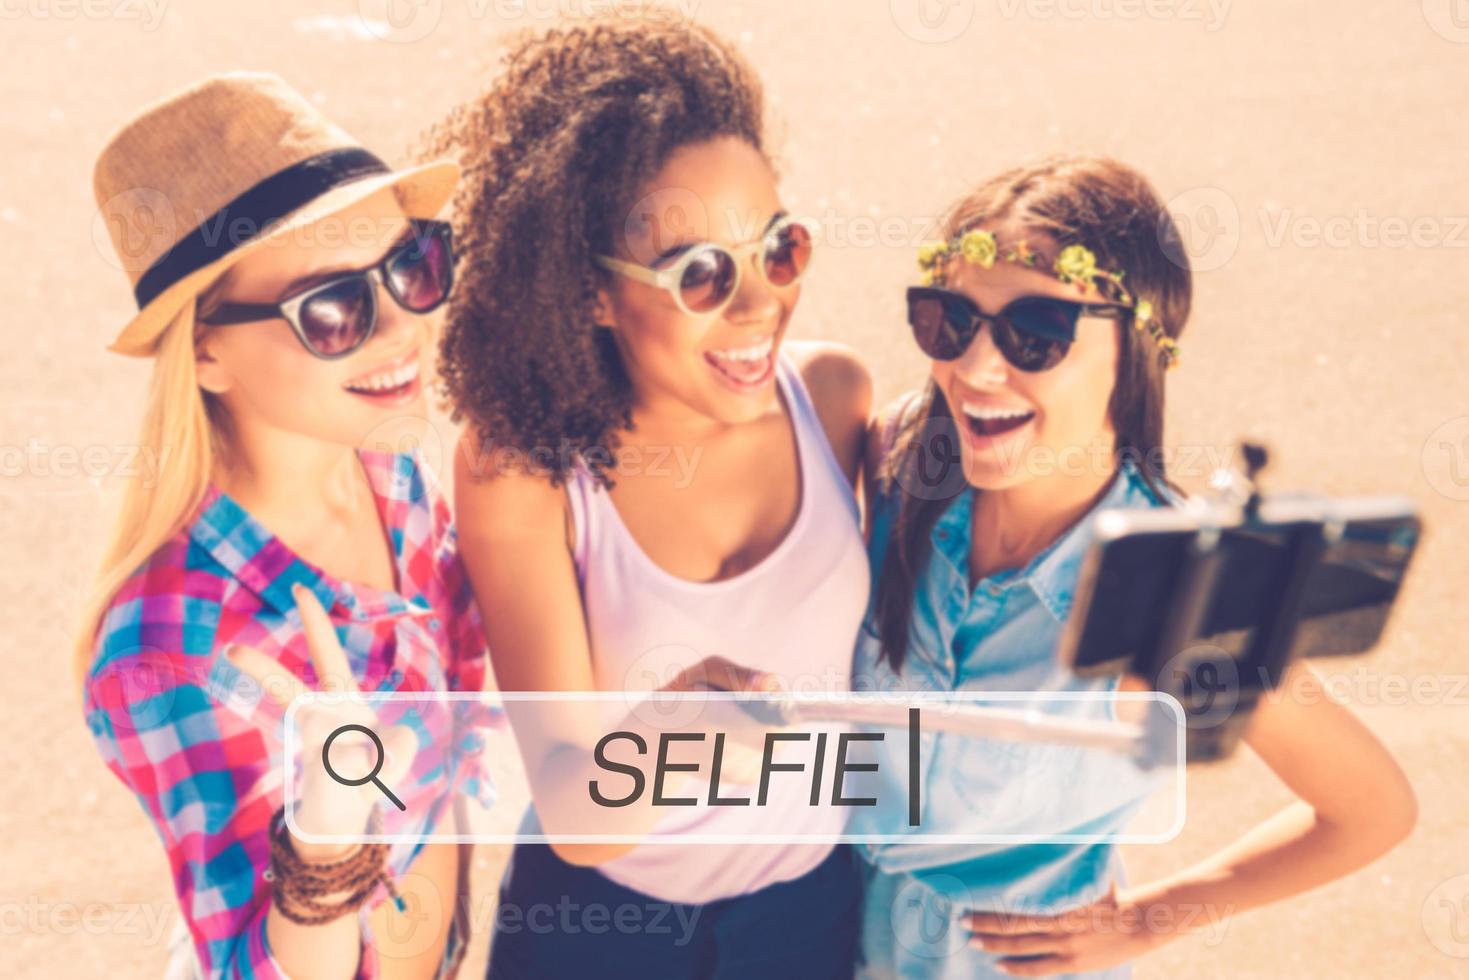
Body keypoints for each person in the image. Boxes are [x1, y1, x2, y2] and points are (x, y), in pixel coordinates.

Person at [853, 156, 1417, 979]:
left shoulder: (1175, 587)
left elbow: (1370, 810)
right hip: (833, 932)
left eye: (1035, 333)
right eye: (948, 321)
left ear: (1138, 350)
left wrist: (1156, 917)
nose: (973, 370)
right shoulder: (893, 459)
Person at [429, 15, 872, 980]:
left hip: (809, 921)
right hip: (596, 935)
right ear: (587, 292)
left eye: (777, 248)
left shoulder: (835, 401)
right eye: (700, 273)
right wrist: (687, 737)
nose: (758, 305)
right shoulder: (522, 471)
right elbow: (575, 811)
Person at [78, 73, 493, 979]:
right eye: (333, 309)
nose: (402, 329)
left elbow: (462, 704)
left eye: (411, 265)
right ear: (207, 354)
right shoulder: (171, 650)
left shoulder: (387, 466)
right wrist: (326, 834)